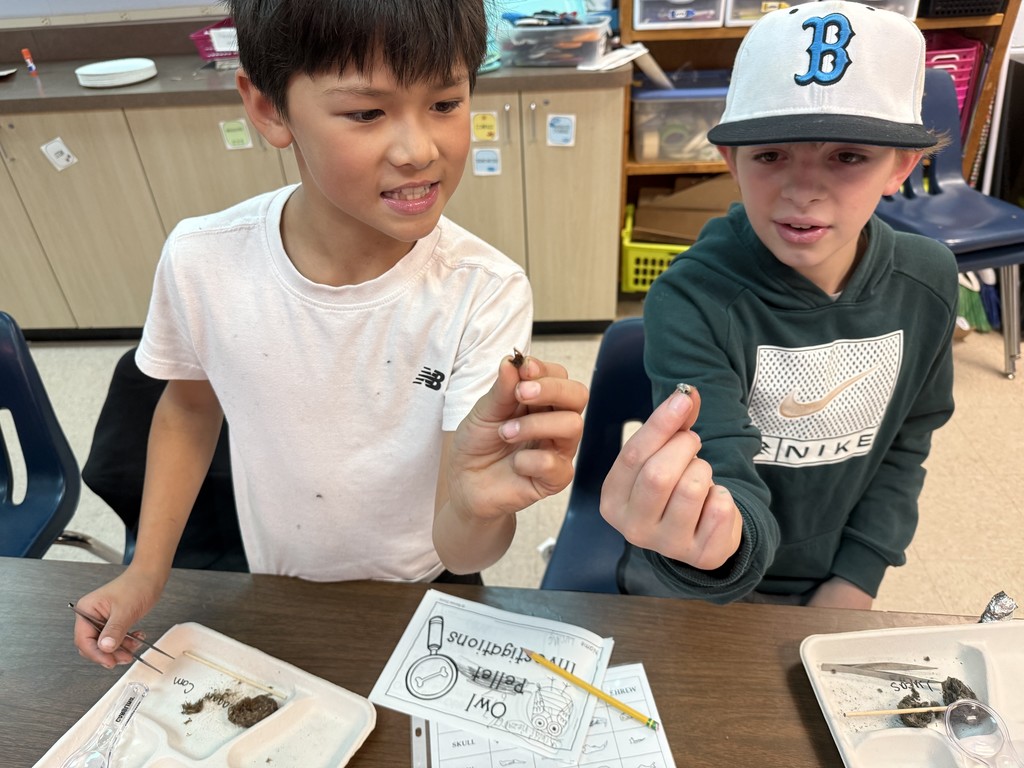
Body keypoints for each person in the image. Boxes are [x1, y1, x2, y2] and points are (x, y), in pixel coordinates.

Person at [74, 0, 588, 668]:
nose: (420, 151)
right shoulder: (203, 258)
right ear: (267, 109)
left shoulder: (483, 291)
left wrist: (482, 507)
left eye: (445, 102)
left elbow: (465, 548)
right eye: (367, 113)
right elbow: (188, 408)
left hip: (422, 586)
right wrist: (146, 570)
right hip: (277, 579)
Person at [601, 0, 957, 609]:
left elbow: (908, 438)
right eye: (771, 155)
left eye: (848, 156)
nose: (803, 190)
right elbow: (719, 469)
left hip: (827, 574)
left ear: (901, 165)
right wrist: (720, 553)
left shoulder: (927, 280)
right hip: (699, 574)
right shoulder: (692, 298)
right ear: (730, 162)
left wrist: (857, 574)